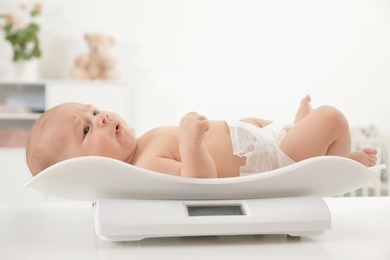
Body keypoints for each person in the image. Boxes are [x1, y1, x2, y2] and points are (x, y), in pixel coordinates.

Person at [26, 95, 377, 178]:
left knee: (247, 119)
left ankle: (295, 131)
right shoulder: (146, 165)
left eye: (92, 110)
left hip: (261, 141)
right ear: (86, 168)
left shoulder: (144, 143)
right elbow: (196, 182)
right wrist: (191, 143)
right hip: (270, 159)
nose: (99, 117)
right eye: (86, 129)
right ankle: (336, 162)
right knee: (332, 118)